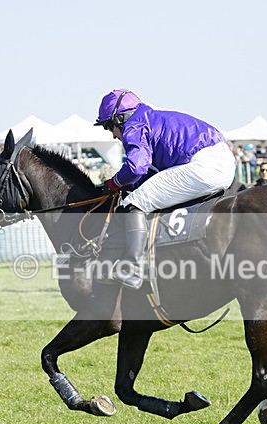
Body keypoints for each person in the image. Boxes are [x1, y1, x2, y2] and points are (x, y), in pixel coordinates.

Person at [94, 89, 236, 289]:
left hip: (204, 165)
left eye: (109, 127)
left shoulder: (134, 125)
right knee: (141, 196)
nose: (113, 135)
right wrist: (128, 184)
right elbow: (150, 173)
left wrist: (113, 183)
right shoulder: (150, 117)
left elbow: (136, 167)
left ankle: (134, 269)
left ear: (120, 118)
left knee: (133, 203)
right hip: (222, 161)